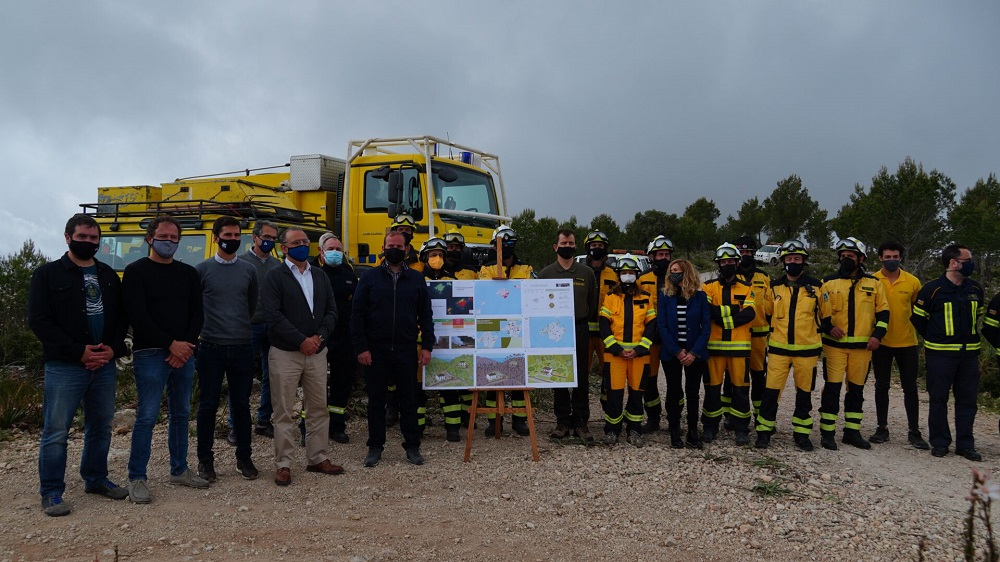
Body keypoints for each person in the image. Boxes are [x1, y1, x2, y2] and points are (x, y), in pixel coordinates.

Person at [29, 214, 130, 516]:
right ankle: (51, 492)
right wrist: (78, 352)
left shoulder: (109, 275)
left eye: (93, 238)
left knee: (101, 427)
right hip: (65, 366)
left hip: (104, 364)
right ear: (67, 237)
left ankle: (96, 479)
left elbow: (121, 318)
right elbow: (39, 321)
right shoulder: (46, 275)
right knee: (56, 431)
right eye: (82, 237)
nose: (88, 242)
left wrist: (111, 350)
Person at [122, 214, 208, 503]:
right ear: (149, 238)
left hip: (185, 353)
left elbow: (198, 313)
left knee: (182, 413)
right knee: (147, 416)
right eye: (163, 236)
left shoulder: (188, 273)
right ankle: (137, 477)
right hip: (150, 353)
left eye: (174, 238)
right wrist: (170, 344)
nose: (169, 241)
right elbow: (137, 316)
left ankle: (179, 469)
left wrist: (186, 346)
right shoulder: (136, 271)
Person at [261, 227, 342, 486]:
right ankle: (283, 464)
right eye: (296, 242)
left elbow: (331, 310)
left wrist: (318, 338)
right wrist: (301, 340)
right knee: (284, 411)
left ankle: (317, 458)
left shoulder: (319, 275)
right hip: (286, 354)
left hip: (317, 353)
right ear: (284, 248)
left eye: (306, 241)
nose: (302, 245)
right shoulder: (275, 276)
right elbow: (273, 315)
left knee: (318, 408)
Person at [352, 231, 435, 467]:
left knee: (409, 400)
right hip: (375, 350)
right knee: (376, 402)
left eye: (399, 246)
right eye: (391, 245)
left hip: (406, 349)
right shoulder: (369, 278)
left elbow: (426, 316)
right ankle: (375, 447)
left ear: (407, 249)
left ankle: (412, 447)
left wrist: (427, 346)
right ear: (383, 248)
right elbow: (357, 315)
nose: (395, 249)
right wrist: (361, 348)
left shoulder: (417, 279)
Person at [194, 217, 259, 483]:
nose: (232, 238)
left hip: (242, 345)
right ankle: (205, 461)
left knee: (242, 405)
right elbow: (195, 307)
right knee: (208, 405)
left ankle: (244, 458)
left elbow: (251, 304)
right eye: (228, 234)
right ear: (215, 237)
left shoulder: (248, 270)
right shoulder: (202, 269)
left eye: (237, 234)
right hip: (210, 346)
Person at [911, 244, 985, 460]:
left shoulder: (975, 288)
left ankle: (965, 444)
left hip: (969, 356)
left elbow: (978, 315)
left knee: (968, 401)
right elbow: (917, 319)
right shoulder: (932, 289)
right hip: (940, 356)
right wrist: (935, 338)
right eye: (967, 260)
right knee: (938, 399)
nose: (971, 264)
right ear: (953, 263)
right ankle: (940, 442)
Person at [818, 237, 889, 451]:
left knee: (856, 391)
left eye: (850, 256)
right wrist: (828, 327)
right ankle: (827, 433)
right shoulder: (828, 282)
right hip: (834, 347)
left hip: (862, 349)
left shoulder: (874, 284)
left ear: (860, 259)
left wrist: (877, 335)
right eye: (843, 256)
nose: (846, 259)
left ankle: (851, 432)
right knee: (832, 389)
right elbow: (818, 312)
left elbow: (884, 313)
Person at [753, 241, 823, 451]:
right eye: (789, 259)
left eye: (797, 259)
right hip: (778, 350)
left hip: (807, 351)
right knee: (771, 393)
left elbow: (824, 314)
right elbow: (766, 312)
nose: (793, 262)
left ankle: (802, 435)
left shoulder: (817, 287)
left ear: (804, 261)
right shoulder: (773, 286)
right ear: (783, 261)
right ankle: (764, 432)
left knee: (804, 394)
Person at [538, 229, 598, 440]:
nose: (568, 246)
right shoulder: (546, 273)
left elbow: (592, 303)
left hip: (579, 328)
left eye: (571, 243)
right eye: (564, 243)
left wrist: (580, 319)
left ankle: (581, 422)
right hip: (555, 331)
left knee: (581, 375)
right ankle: (562, 422)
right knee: (558, 374)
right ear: (555, 247)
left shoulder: (586, 273)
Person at [869, 241, 928, 449]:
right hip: (881, 343)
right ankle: (882, 428)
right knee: (881, 386)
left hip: (907, 342)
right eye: (887, 257)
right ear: (880, 258)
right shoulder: (873, 280)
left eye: (895, 257)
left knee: (910, 387)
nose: (891, 260)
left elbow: (918, 311)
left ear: (900, 258)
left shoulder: (912, 282)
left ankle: (914, 431)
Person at [477, 225, 535, 437]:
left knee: (518, 376)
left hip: (519, 328)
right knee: (494, 377)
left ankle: (520, 421)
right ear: (494, 246)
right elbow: (486, 294)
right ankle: (494, 422)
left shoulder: (526, 269)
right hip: (493, 327)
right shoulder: (486, 269)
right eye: (501, 243)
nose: (505, 247)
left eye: (510, 243)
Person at [702, 243, 757, 445]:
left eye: (731, 262)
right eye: (723, 262)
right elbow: (707, 311)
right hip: (714, 350)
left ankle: (741, 429)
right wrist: (735, 310)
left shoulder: (747, 287)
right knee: (712, 391)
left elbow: (750, 314)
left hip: (739, 351)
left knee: (741, 392)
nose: (727, 265)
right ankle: (709, 427)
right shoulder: (708, 287)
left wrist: (723, 316)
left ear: (737, 263)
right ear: (718, 264)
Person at [599, 256, 656, 446]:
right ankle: (612, 430)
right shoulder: (610, 297)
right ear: (618, 275)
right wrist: (615, 348)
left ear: (637, 275)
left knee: (636, 394)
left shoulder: (646, 298)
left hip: (639, 357)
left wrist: (640, 349)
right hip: (614, 356)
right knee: (614, 394)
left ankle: (634, 430)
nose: (628, 276)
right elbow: (604, 325)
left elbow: (651, 326)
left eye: (631, 273)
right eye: (624, 273)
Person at [656, 259, 710, 449]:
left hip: (695, 353)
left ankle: (693, 432)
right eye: (672, 271)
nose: (673, 274)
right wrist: (677, 351)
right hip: (672, 352)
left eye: (677, 271)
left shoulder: (700, 297)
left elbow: (706, 328)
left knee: (693, 392)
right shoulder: (665, 296)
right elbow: (661, 325)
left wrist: (694, 352)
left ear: (686, 273)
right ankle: (674, 431)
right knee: (673, 391)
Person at [417, 237, 465, 441]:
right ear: (424, 257)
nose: (436, 258)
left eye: (440, 255)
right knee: (417, 388)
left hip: (447, 341)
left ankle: (453, 428)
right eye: (432, 255)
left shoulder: (453, 282)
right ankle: (417, 429)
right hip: (418, 341)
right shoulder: (415, 280)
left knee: (449, 386)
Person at [238, 220, 281, 439]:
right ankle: (237, 426)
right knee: (241, 376)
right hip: (248, 327)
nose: (269, 242)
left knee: (272, 375)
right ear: (255, 237)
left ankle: (264, 421)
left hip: (273, 328)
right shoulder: (241, 262)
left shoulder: (277, 265)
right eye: (266, 237)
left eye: (274, 238)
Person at [316, 232, 359, 444]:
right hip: (320, 338)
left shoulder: (349, 275)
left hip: (345, 338)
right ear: (321, 252)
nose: (335, 253)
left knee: (342, 384)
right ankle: (310, 429)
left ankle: (337, 426)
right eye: (331, 249)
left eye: (338, 250)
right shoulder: (314, 274)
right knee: (314, 385)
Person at [731, 235, 772, 421]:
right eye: (741, 251)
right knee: (732, 377)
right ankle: (730, 415)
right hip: (736, 335)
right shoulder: (730, 275)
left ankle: (759, 415)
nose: (745, 255)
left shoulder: (763, 277)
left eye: (748, 252)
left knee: (758, 376)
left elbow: (771, 306)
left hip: (758, 335)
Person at [639, 235, 674, 433]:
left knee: (673, 381)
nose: (664, 258)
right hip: (650, 339)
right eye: (660, 254)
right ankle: (653, 418)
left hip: (672, 339)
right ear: (651, 257)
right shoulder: (642, 279)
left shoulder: (678, 278)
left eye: (667, 254)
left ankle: (674, 419)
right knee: (650, 381)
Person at [584, 230, 618, 391]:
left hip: (608, 332)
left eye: (600, 245)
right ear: (588, 248)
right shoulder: (580, 272)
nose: (597, 248)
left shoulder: (614, 274)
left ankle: (609, 405)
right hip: (583, 331)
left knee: (610, 372)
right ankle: (581, 410)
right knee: (582, 371)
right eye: (594, 245)